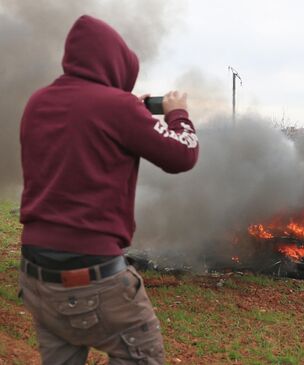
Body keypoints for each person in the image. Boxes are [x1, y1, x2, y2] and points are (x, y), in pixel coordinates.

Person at [18, 15, 199, 364]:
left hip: (36, 275)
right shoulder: (119, 108)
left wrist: (128, 106)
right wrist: (178, 114)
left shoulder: (37, 102)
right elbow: (183, 154)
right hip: (93, 277)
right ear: (115, 64)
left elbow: (83, 130)